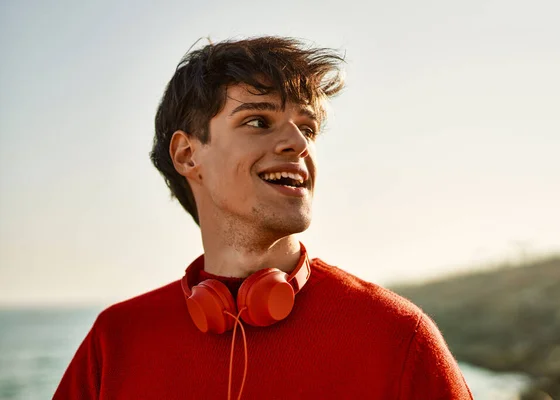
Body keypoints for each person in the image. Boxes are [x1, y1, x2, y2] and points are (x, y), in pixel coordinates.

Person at [54, 36, 473, 400]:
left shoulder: (397, 335)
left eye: (307, 129)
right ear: (187, 154)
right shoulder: (116, 341)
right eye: (259, 121)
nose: (297, 143)